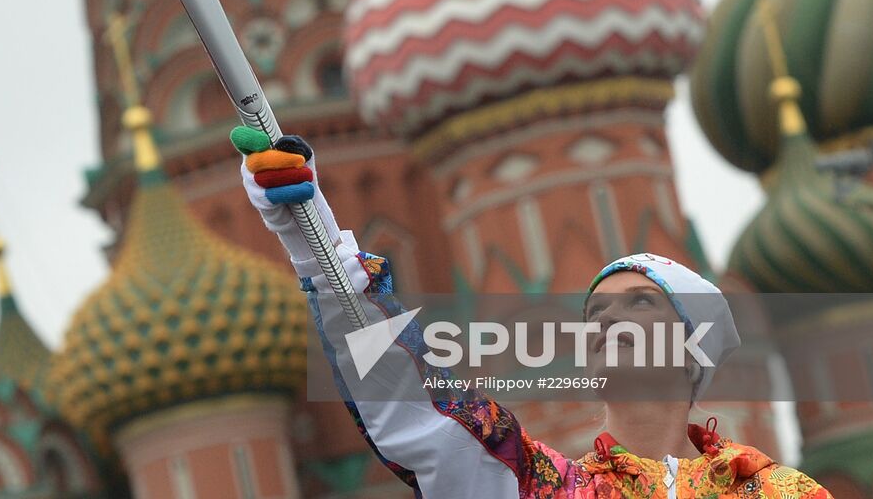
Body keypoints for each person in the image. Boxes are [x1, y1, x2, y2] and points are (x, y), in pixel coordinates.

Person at [232, 127, 832, 499]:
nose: (607, 322)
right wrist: (316, 245)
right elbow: (426, 407)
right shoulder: (537, 488)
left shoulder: (782, 494)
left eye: (642, 304)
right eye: (595, 313)